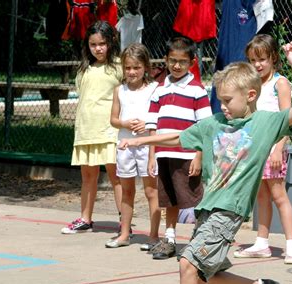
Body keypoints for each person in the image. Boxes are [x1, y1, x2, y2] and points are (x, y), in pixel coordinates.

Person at [119, 39, 292, 284]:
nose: (222, 106)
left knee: (188, 263)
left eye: (226, 100)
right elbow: (179, 135)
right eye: (219, 100)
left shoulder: (263, 123)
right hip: (207, 209)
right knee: (205, 276)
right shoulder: (214, 124)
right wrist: (142, 141)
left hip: (229, 211)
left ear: (250, 96)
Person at [234, 34, 292, 264]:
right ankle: (262, 243)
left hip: (273, 149)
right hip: (254, 150)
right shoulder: (252, 85)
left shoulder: (280, 83)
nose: (258, 65)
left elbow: (286, 119)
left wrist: (278, 149)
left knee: (279, 195)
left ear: (273, 58)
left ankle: (291, 245)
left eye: (262, 59)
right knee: (261, 197)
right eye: (253, 60)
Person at [144, 36, 212, 259]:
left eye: (182, 61)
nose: (176, 65)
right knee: (169, 199)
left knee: (194, 198)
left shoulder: (197, 90)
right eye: (172, 60)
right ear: (166, 59)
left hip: (186, 155)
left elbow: (204, 127)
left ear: (192, 62)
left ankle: (202, 239)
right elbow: (152, 125)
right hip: (164, 155)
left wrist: (198, 156)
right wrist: (152, 156)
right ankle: (170, 238)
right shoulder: (159, 89)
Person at [61, 20, 123, 234]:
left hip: (110, 130)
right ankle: (85, 218)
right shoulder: (84, 68)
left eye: (102, 43)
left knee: (117, 176)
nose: (98, 48)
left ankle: (125, 221)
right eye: (93, 44)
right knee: (88, 176)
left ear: (111, 42)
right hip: (86, 129)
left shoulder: (119, 66)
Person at [104, 43, 161, 248]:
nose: (132, 72)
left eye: (136, 67)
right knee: (127, 191)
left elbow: (160, 117)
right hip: (125, 145)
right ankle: (125, 234)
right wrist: (124, 123)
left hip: (147, 146)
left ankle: (154, 236)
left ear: (145, 66)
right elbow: (113, 119)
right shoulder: (120, 90)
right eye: (128, 67)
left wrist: (147, 123)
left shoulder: (155, 89)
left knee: (151, 191)